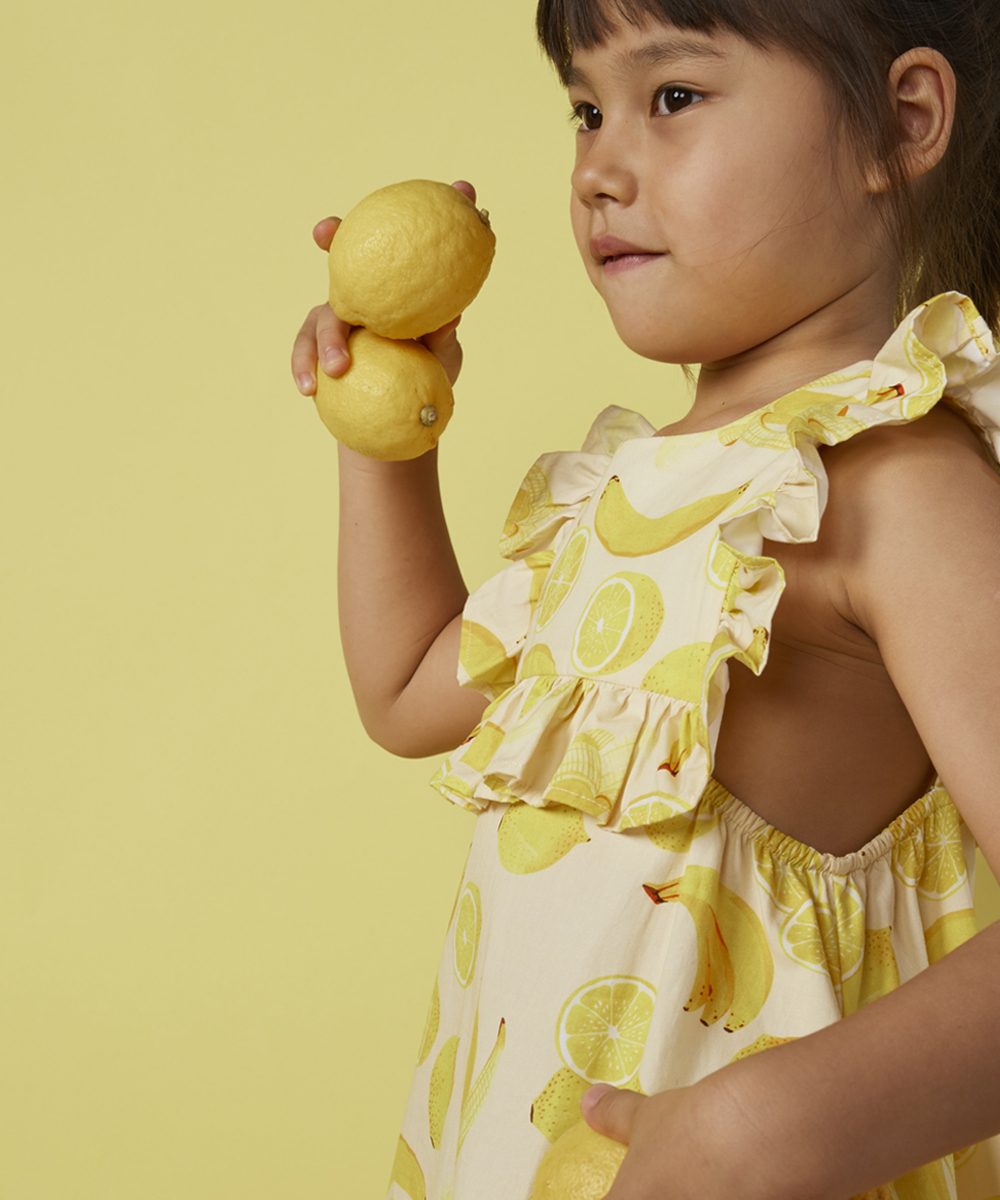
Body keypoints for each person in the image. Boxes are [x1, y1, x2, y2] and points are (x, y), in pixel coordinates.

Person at [291, 0, 1000, 1195]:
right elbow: (409, 690)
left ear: (901, 123)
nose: (599, 170)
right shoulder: (622, 493)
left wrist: (762, 1129)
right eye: (584, 109)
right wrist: (383, 427)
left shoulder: (892, 485)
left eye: (671, 97)